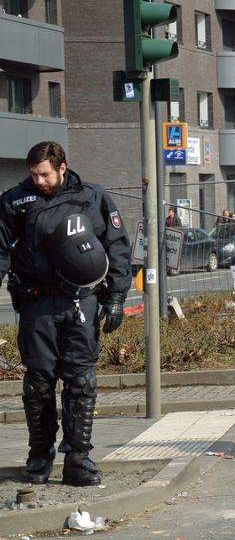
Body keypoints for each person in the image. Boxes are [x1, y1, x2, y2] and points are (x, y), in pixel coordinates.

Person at [0, 141, 131, 486]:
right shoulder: (15, 201)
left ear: (62, 167)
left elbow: (116, 245)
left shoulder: (93, 197)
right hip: (37, 303)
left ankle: (78, 459)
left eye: (44, 174)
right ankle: (39, 457)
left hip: (80, 301)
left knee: (81, 381)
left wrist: (116, 295)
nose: (39, 180)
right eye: (33, 174)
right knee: (38, 384)